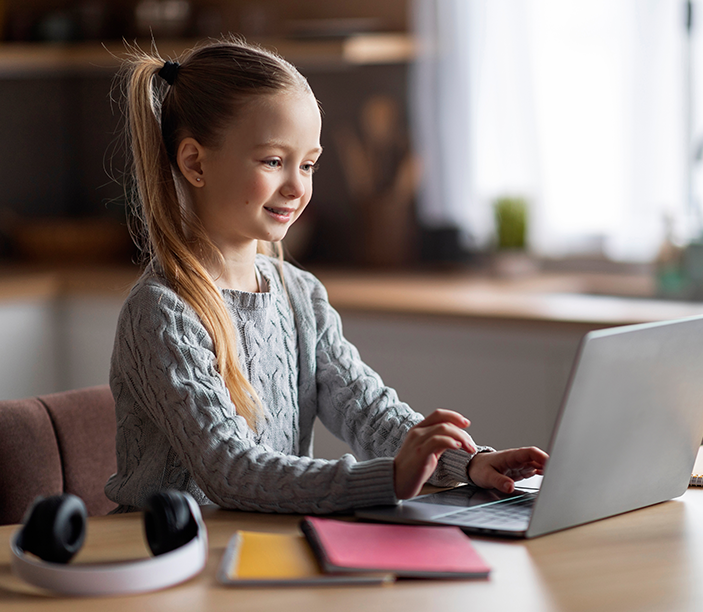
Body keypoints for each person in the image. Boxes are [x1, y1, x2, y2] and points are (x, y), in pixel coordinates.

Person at [105, 38, 547, 514]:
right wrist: (388, 479)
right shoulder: (164, 311)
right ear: (195, 162)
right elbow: (230, 470)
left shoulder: (301, 296)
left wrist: (469, 463)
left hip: (264, 547)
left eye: (308, 164)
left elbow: (367, 410)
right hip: (168, 561)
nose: (297, 186)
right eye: (273, 161)